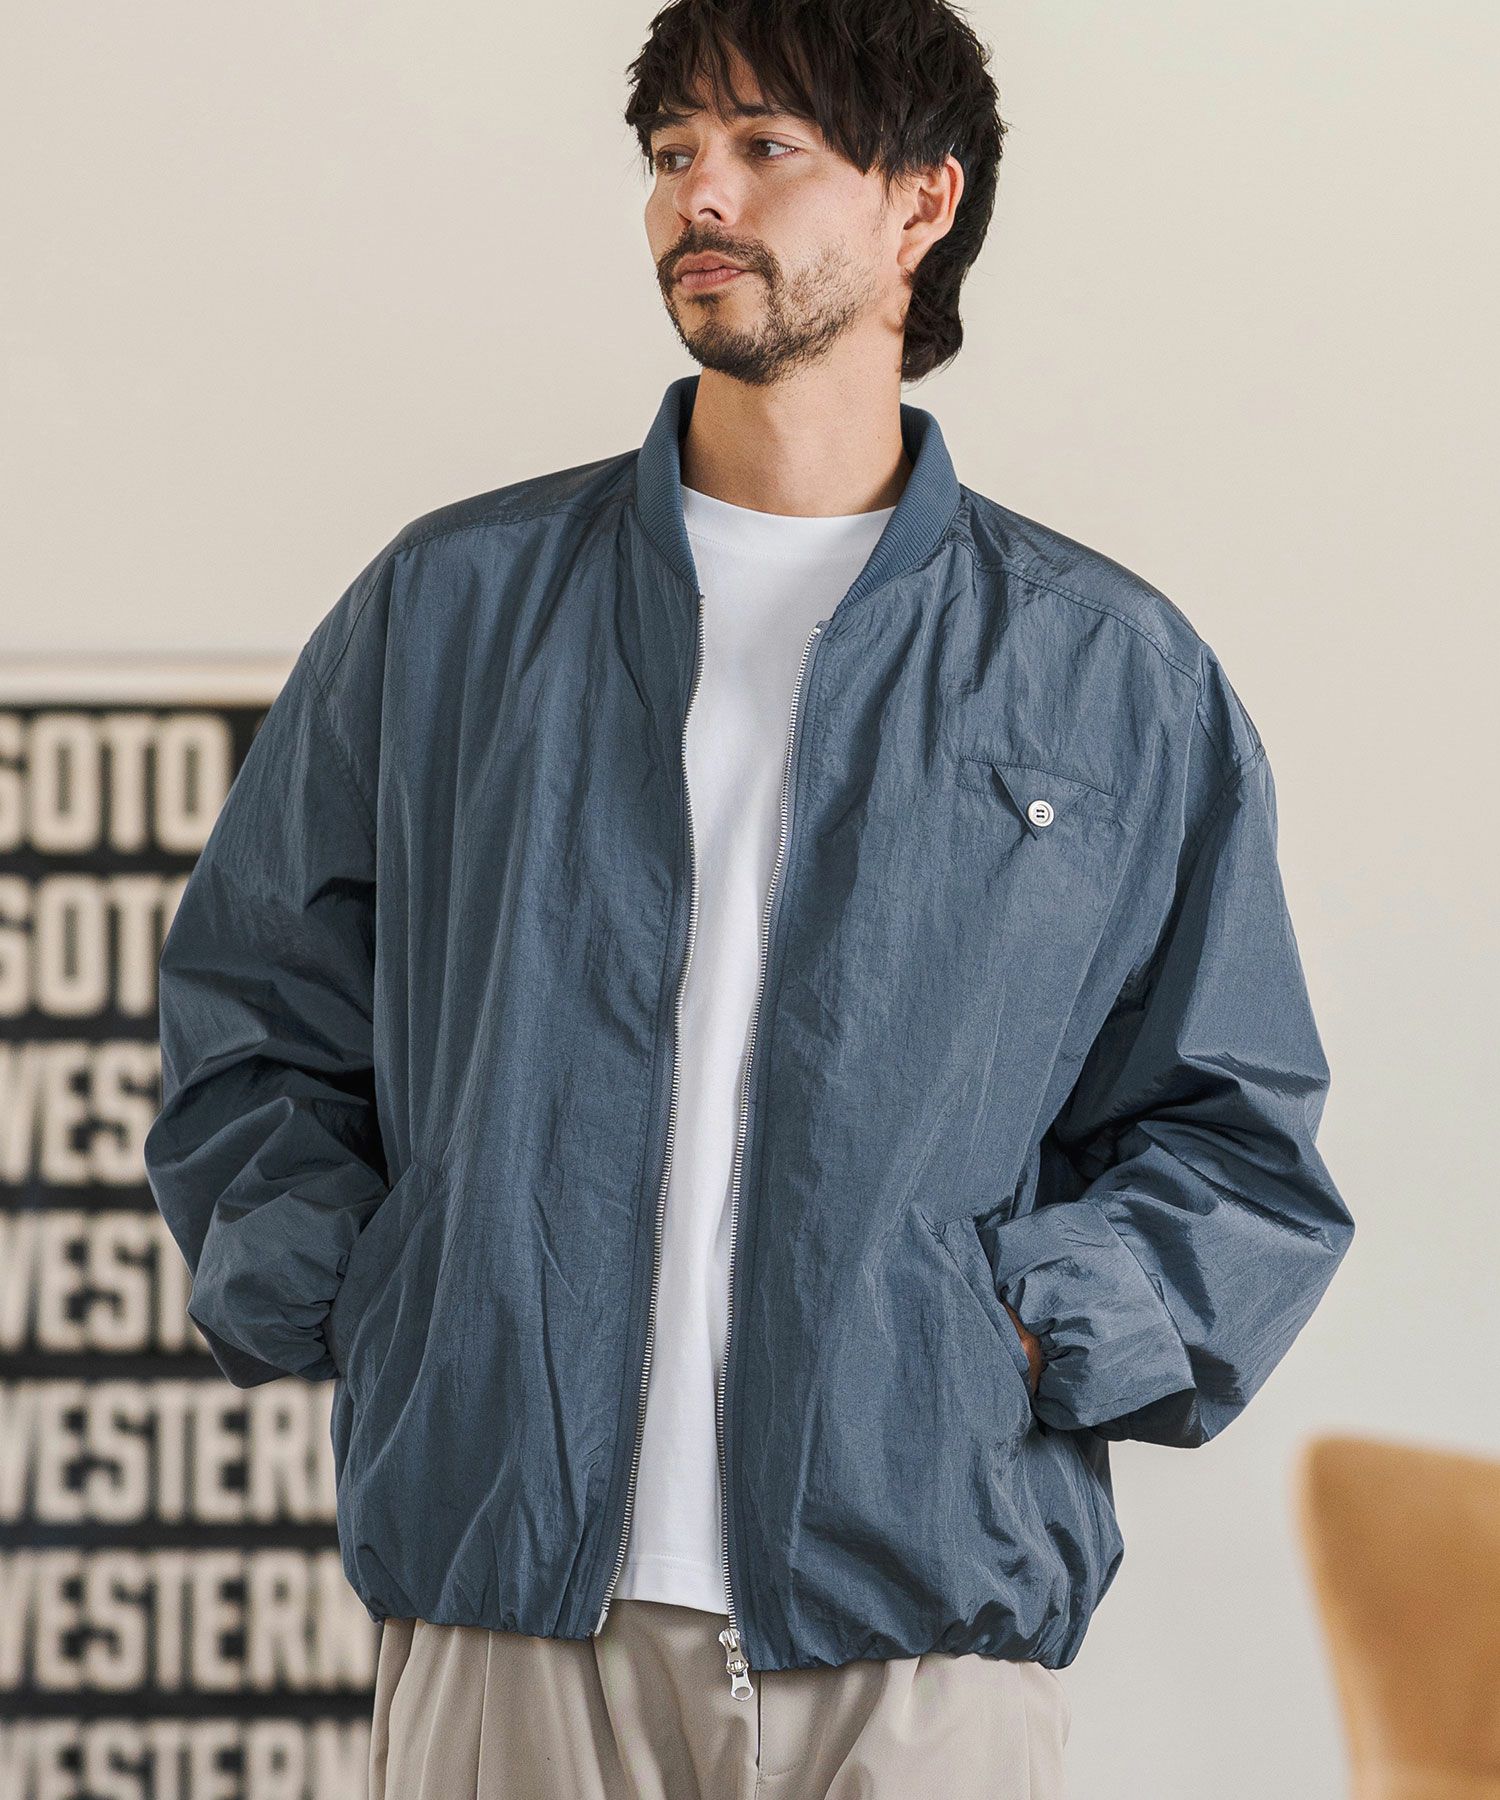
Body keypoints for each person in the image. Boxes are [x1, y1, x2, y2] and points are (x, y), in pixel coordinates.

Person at [143, 1, 1356, 1794]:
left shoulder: (1108, 677)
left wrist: (1014, 1333)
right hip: (509, 1614)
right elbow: (252, 1025)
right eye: (672, 153)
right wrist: (393, 1295)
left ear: (922, 202)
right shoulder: (452, 611)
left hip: (921, 1630)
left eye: (766, 147)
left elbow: (1235, 1136)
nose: (698, 196)